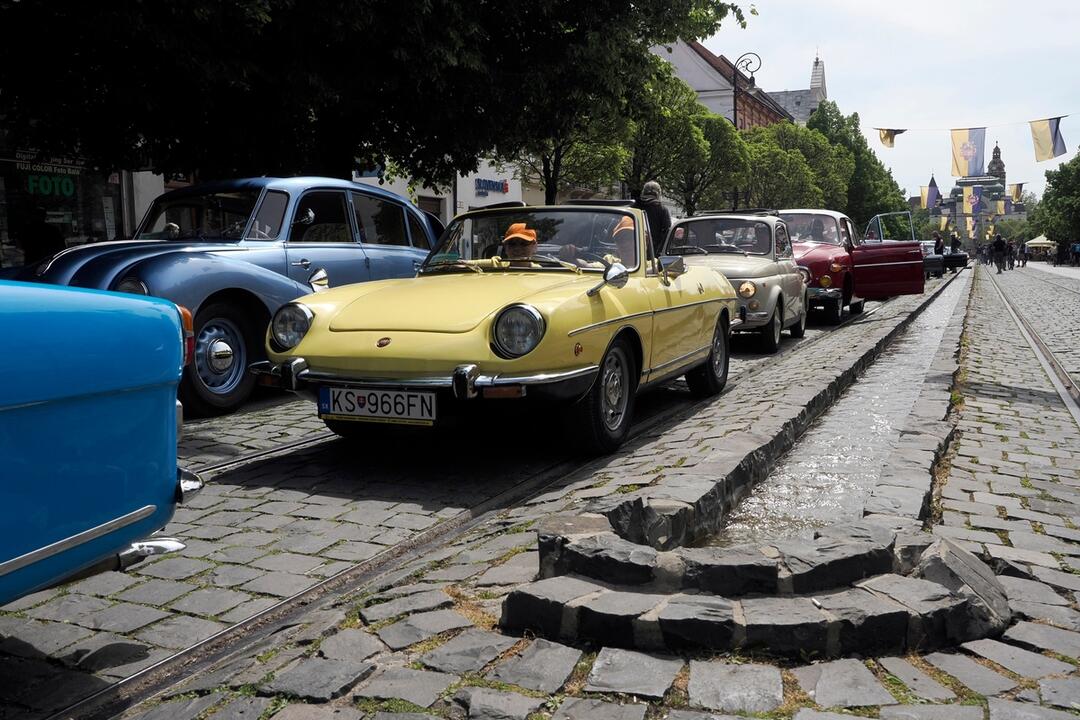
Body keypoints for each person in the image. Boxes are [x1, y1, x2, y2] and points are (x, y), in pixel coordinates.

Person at [633, 181, 670, 255]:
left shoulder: (634, 206)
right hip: (654, 252)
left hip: (634, 250)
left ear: (643, 192)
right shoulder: (662, 209)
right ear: (658, 193)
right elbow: (667, 232)